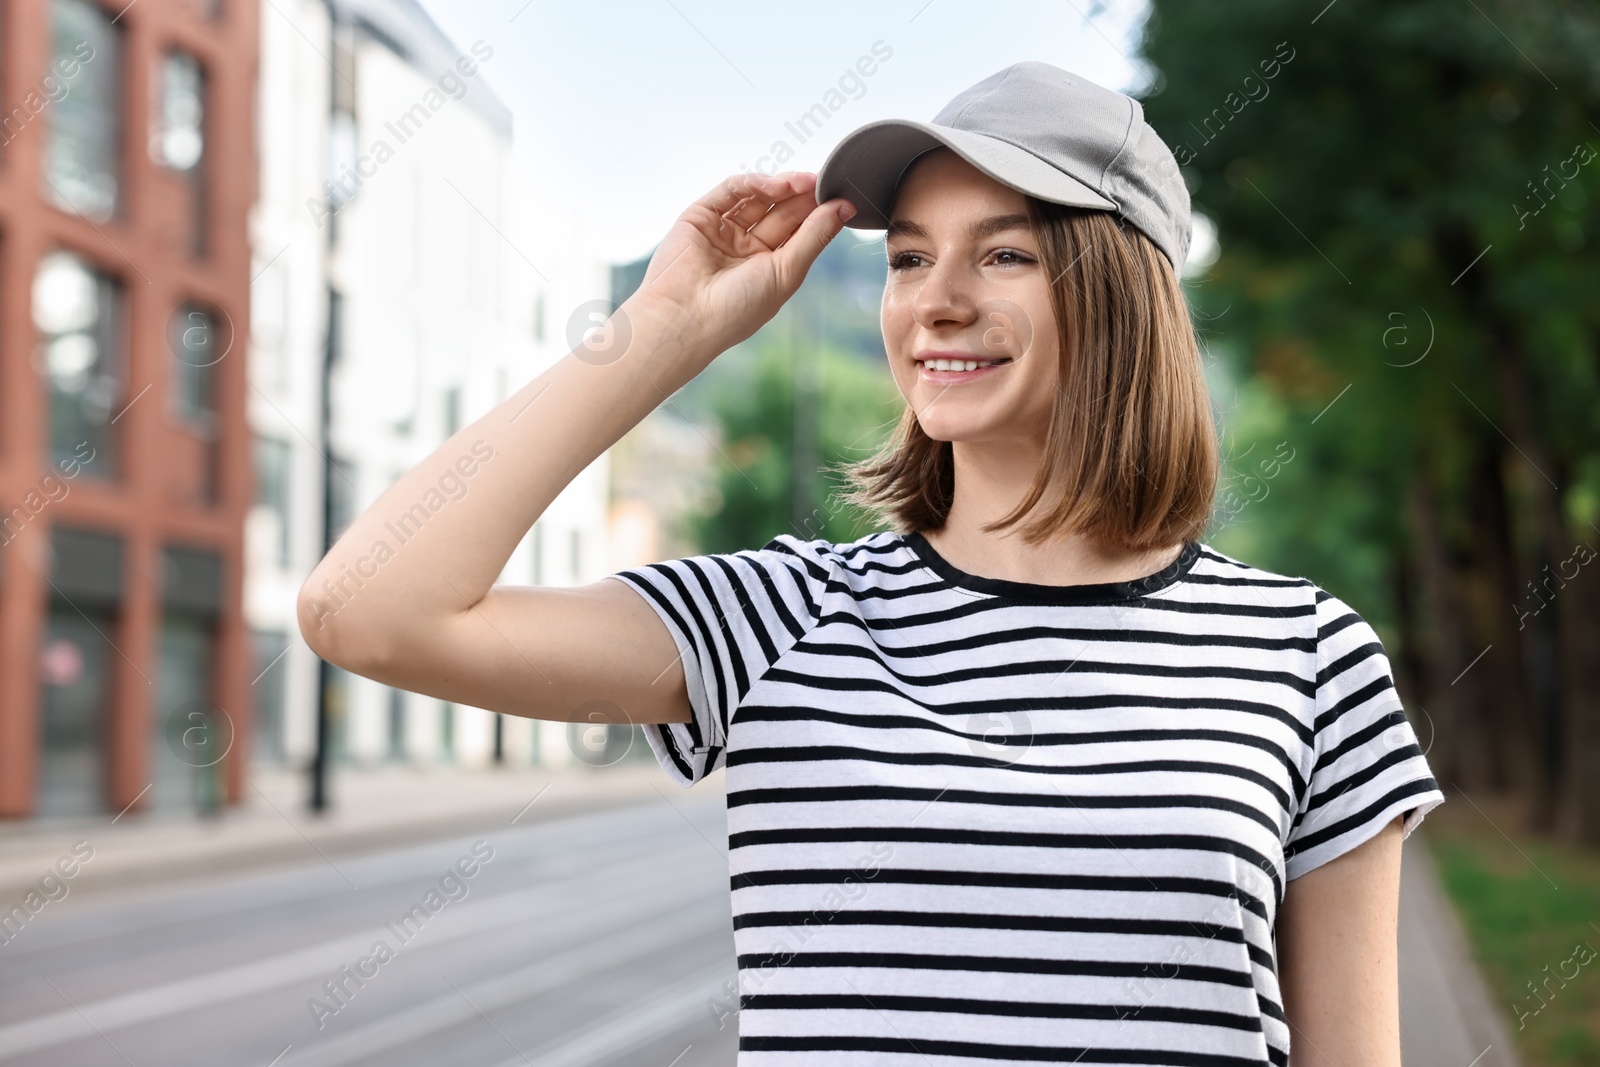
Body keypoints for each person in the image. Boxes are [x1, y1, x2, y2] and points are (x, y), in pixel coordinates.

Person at [300, 61, 1445, 1066]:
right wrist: (660, 335)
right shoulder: (780, 617)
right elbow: (366, 609)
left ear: (1119, 296)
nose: (935, 301)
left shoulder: (1306, 652)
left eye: (1003, 252)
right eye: (907, 258)